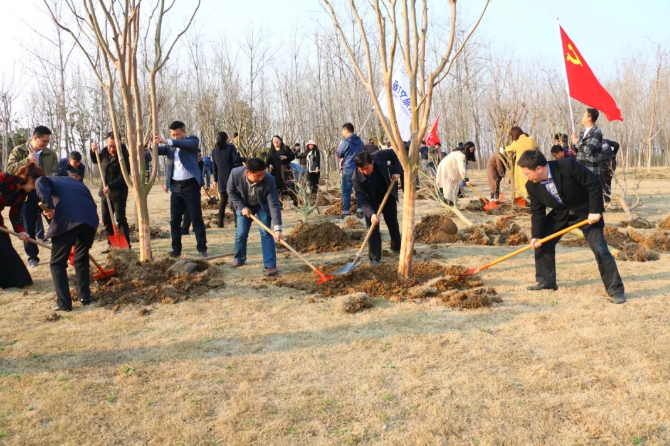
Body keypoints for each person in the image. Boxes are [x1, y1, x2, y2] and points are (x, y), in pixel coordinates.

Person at [517, 150, 625, 303]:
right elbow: (537, 212)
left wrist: (595, 211)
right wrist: (535, 236)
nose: (526, 177)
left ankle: (616, 290)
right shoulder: (532, 186)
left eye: (527, 173)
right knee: (543, 239)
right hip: (561, 214)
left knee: (600, 249)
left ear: (538, 168)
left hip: (586, 213)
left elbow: (594, 183)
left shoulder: (568, 166)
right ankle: (546, 281)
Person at [36, 173, 99, 311]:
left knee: (57, 263)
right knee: (81, 258)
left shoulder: (49, 179)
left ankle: (64, 304)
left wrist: (48, 205)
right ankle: (85, 297)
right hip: (90, 221)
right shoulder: (77, 182)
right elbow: (92, 203)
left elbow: (40, 181)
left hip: (68, 221)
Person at [154, 121, 208, 258]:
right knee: (175, 220)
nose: (175, 137)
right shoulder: (170, 147)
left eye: (178, 134)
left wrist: (167, 141)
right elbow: (154, 153)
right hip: (176, 188)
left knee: (196, 218)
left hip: (191, 186)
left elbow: (185, 144)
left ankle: (202, 248)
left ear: (184, 132)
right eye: (173, 135)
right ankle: (176, 249)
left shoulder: (192, 141)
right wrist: (149, 146)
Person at [7, 126, 57, 267]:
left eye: (48, 141)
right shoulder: (19, 151)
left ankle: (61, 251)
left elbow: (56, 170)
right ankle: (32, 257)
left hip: (44, 193)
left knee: (55, 221)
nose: (46, 144)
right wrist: (27, 161)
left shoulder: (50, 153)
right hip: (26, 194)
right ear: (35, 138)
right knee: (28, 227)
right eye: (44, 141)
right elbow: (10, 170)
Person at [227, 158, 283, 276]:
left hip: (262, 206)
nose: (261, 177)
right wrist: (242, 207)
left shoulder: (269, 180)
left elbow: (273, 204)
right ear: (248, 173)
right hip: (244, 205)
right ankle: (239, 258)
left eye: (262, 174)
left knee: (266, 232)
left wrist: (278, 229)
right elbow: (230, 191)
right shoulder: (235, 174)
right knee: (241, 234)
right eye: (257, 176)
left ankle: (270, 265)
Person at [0, 163, 45, 289]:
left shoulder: (22, 193)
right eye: (35, 185)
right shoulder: (3, 179)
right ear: (30, 179)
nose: (35, 189)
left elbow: (14, 213)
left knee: (22, 279)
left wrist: (21, 231)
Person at [352, 151, 402, 264]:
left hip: (386, 193)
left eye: (366, 168)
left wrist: (396, 171)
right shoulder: (356, 178)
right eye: (361, 169)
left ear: (372, 162)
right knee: (372, 227)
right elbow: (361, 200)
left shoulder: (379, 156)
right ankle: (374, 257)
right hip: (371, 200)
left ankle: (397, 247)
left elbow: (393, 154)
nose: (364, 171)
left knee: (392, 222)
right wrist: (372, 214)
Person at [91, 132, 131, 254]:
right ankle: (111, 245)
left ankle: (126, 245)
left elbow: (124, 176)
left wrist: (110, 186)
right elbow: (94, 160)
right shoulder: (103, 153)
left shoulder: (124, 155)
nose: (111, 149)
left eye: (113, 146)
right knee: (106, 219)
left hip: (118, 191)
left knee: (119, 218)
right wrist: (93, 151)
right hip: (105, 192)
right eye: (109, 145)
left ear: (120, 143)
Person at [211, 131, 243, 228]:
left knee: (223, 202)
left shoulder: (214, 150)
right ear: (226, 138)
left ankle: (220, 223)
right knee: (234, 200)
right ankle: (237, 222)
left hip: (221, 178)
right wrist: (245, 159)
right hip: (231, 176)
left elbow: (214, 167)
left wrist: (215, 180)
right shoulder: (230, 147)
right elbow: (236, 159)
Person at [336, 123, 364, 219]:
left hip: (348, 169)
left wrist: (338, 149)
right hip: (359, 169)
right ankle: (360, 211)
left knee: (346, 191)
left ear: (346, 130)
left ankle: (345, 212)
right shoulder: (360, 141)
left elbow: (340, 154)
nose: (342, 132)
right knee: (359, 190)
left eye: (343, 130)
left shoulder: (346, 142)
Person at [504, 126, 538, 202]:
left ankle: (526, 202)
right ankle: (533, 201)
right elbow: (537, 149)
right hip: (532, 165)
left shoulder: (516, 142)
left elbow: (507, 149)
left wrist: (502, 149)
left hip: (521, 168)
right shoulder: (532, 140)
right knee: (533, 183)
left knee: (522, 187)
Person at [265, 135, 296, 205]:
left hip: (286, 171)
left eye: (277, 140)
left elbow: (293, 156)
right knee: (277, 187)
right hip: (275, 172)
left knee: (290, 186)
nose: (275, 142)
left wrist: (286, 157)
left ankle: (296, 203)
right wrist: (270, 164)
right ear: (272, 143)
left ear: (280, 140)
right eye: (274, 141)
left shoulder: (285, 148)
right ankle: (279, 204)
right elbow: (268, 161)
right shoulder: (271, 151)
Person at [572, 108, 603, 176]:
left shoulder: (596, 133)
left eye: (584, 116)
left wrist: (577, 142)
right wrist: (574, 140)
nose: (582, 118)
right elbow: (577, 150)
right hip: (580, 168)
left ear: (589, 118)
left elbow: (589, 150)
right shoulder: (582, 132)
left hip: (590, 170)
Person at [600, 139, 620, 204]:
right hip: (612, 163)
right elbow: (617, 145)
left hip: (603, 164)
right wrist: (614, 153)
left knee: (604, 183)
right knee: (608, 182)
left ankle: (607, 201)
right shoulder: (605, 140)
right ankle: (607, 200)